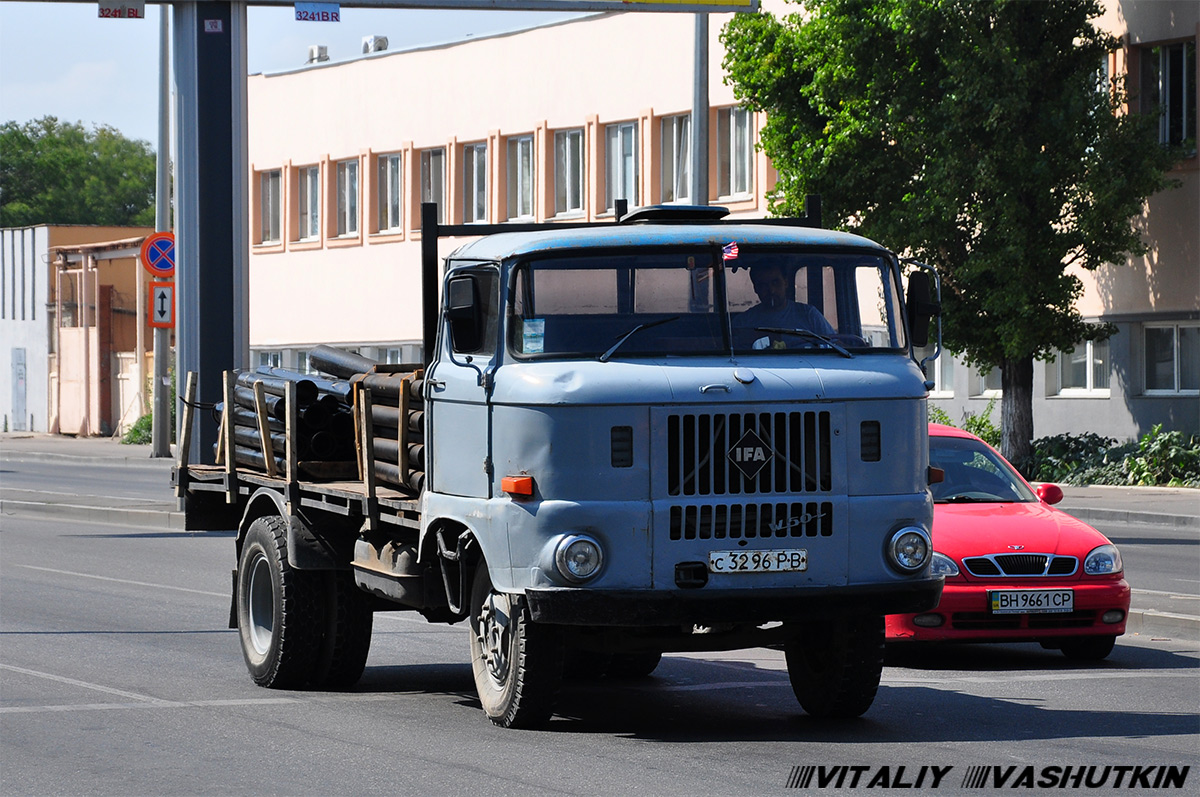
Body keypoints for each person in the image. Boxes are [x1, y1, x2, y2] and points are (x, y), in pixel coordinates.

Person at [733, 263, 836, 348]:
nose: (771, 290)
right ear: (755, 288)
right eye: (763, 285)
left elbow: (836, 345)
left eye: (776, 282)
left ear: (785, 282)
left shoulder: (809, 315)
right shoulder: (743, 322)